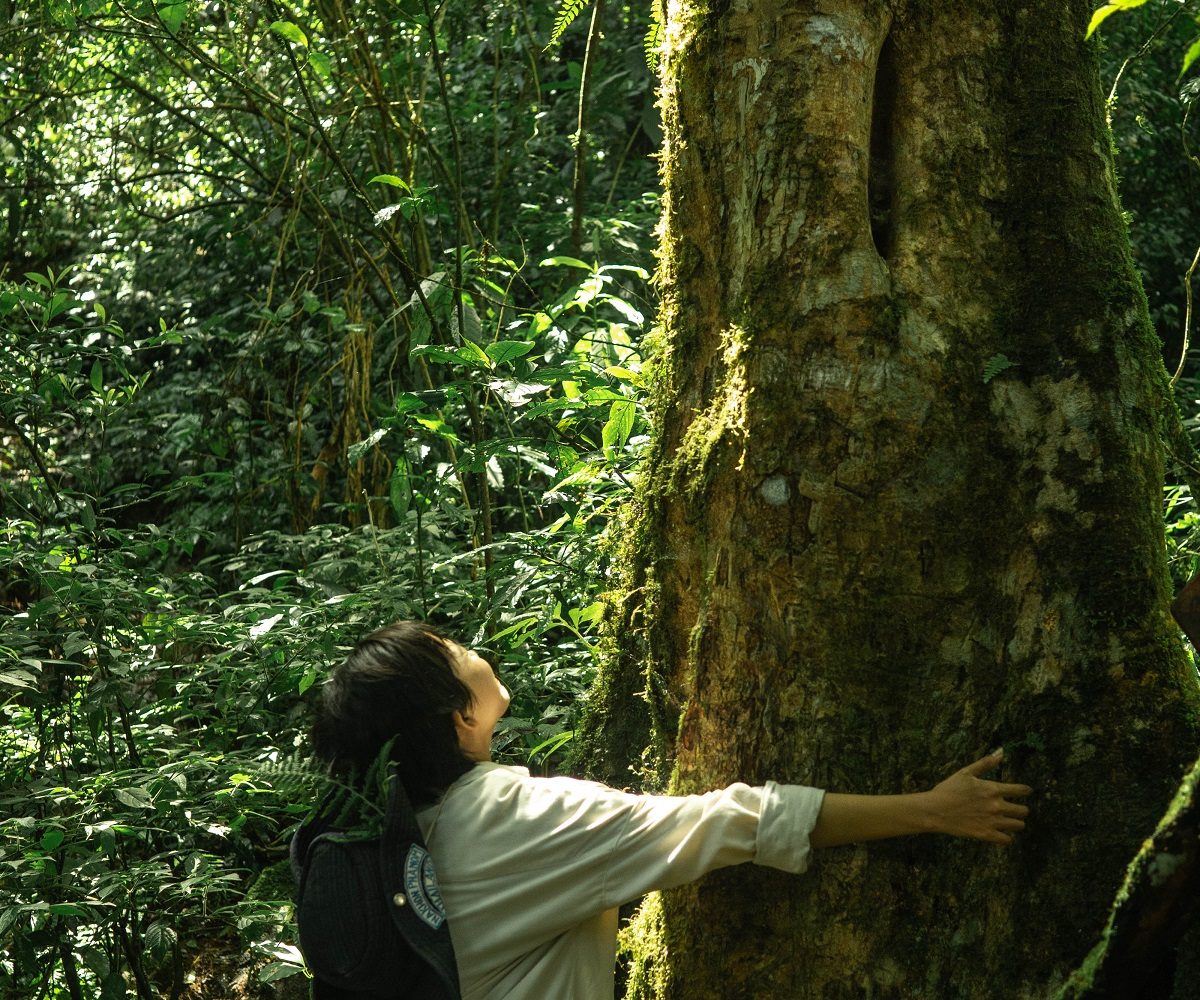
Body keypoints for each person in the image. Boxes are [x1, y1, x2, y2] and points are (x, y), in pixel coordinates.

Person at [310, 621, 1032, 1000]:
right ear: (455, 715)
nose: (472, 649)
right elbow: (735, 821)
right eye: (454, 650)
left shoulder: (398, 836)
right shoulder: (520, 820)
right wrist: (932, 810)